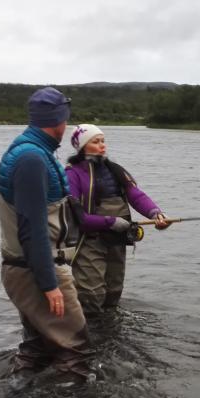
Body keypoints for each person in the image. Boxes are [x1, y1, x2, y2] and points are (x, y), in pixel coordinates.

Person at [0, 87, 92, 390]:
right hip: (37, 269)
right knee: (75, 351)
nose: (68, 126)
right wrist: (50, 285)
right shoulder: (32, 159)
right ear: (58, 119)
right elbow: (33, 228)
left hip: (25, 268)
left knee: (37, 346)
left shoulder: (30, 151)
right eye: (67, 119)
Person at [64, 124, 171, 318]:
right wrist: (110, 222)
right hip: (88, 240)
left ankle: (110, 329)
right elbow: (76, 215)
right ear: (81, 146)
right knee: (91, 293)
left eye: (103, 141)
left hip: (117, 238)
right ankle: (89, 331)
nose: (102, 145)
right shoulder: (72, 174)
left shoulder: (115, 170)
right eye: (96, 142)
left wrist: (156, 214)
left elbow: (136, 196)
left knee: (114, 289)